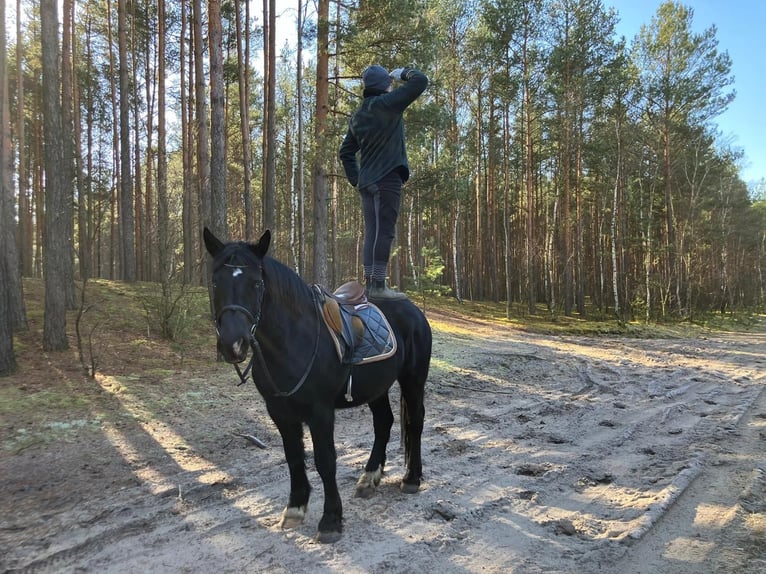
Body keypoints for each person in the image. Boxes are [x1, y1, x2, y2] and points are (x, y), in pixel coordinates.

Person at [339, 64, 429, 300]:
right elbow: (420, 81)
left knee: (372, 231)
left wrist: (356, 178)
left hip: (367, 183)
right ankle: (378, 286)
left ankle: (371, 283)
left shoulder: (358, 115)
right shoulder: (388, 104)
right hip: (387, 177)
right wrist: (402, 73)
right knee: (385, 231)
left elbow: (346, 152)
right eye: (388, 83)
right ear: (383, 86)